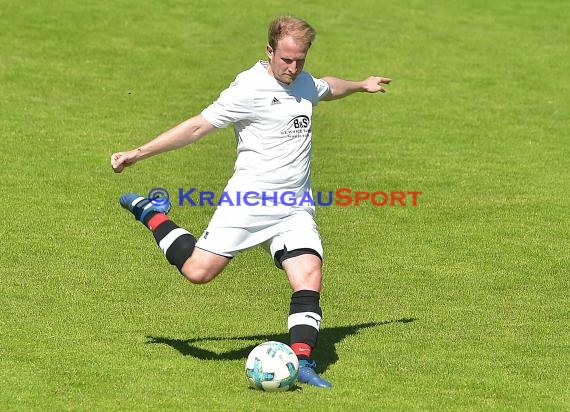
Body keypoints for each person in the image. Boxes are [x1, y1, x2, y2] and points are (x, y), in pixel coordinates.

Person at [111, 15, 391, 389]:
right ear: (270, 50)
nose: (292, 69)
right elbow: (197, 127)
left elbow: (327, 87)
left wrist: (360, 85)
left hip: (294, 206)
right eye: (286, 60)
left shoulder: (303, 81)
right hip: (248, 202)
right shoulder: (248, 88)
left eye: (300, 61)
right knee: (198, 272)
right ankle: (152, 213)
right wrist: (138, 153)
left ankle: (303, 363)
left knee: (308, 275)